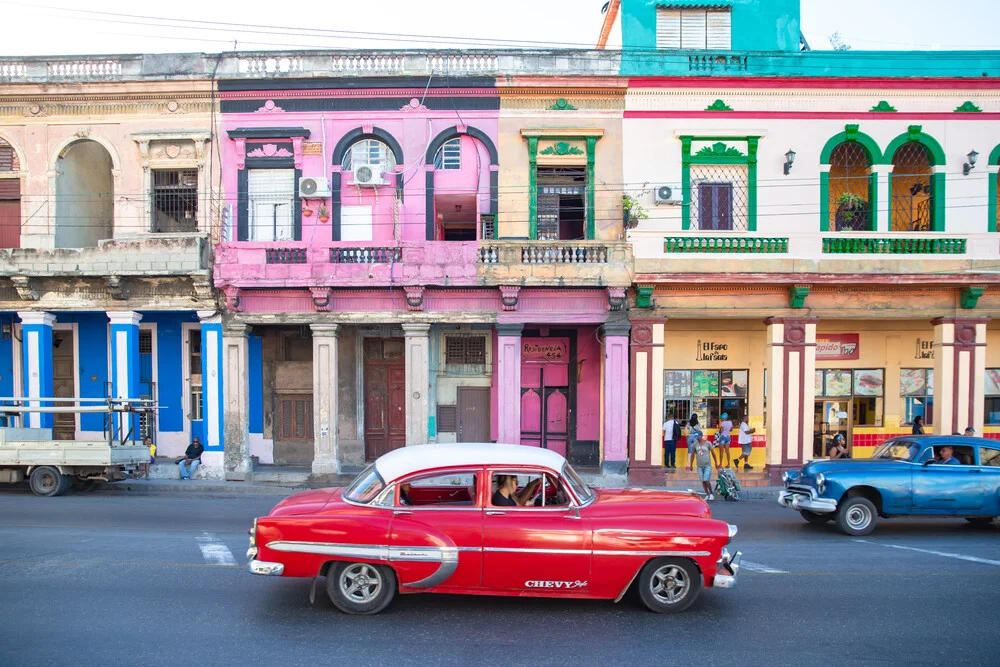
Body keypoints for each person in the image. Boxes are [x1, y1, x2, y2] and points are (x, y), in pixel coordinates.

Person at [685, 414, 716, 500]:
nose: (697, 438)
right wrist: (691, 464)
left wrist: (687, 435)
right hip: (699, 465)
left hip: (707, 465)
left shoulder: (707, 443)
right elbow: (693, 455)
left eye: (698, 437)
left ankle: (711, 493)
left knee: (706, 480)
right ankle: (707, 494)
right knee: (703, 480)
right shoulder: (697, 426)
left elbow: (713, 453)